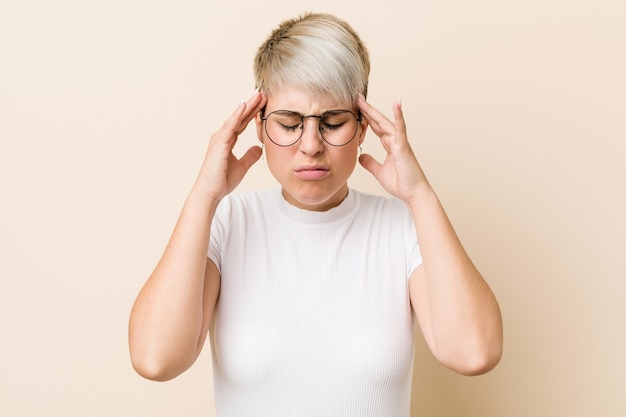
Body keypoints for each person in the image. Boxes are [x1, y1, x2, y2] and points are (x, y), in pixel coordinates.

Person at [128, 12, 503, 417]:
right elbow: (155, 359)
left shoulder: (402, 227)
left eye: (333, 122)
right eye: (289, 124)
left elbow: (473, 352)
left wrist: (421, 196)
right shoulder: (227, 223)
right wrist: (204, 195)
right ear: (258, 125)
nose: (310, 145)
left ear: (362, 128)